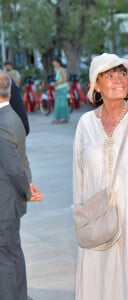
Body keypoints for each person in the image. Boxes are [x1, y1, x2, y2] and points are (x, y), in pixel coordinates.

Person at [72, 53, 128, 300]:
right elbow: (78, 175)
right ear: (96, 84)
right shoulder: (85, 124)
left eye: (122, 74)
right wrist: (81, 215)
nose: (119, 80)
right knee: (99, 279)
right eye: (110, 75)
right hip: (98, 219)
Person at [0, 70, 42, 300]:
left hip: (4, 202)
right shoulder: (13, 116)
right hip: (10, 200)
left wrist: (27, 190)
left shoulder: (2, 122)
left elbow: (14, 166)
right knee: (13, 253)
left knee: (3, 260)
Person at [52, 57, 70, 124]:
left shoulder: (61, 70)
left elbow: (64, 80)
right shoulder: (58, 70)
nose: (54, 64)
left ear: (58, 63)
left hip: (62, 89)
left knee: (60, 104)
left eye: (55, 63)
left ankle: (58, 119)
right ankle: (65, 118)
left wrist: (57, 83)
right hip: (59, 89)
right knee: (62, 104)